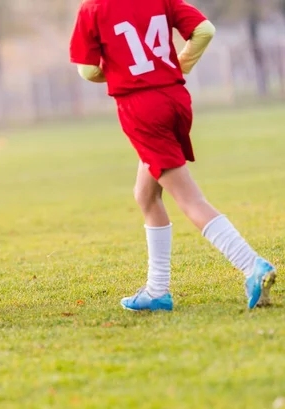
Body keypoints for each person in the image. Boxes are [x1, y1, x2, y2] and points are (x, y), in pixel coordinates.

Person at [69, 0, 276, 311]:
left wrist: (118, 70)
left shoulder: (93, 8)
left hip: (141, 107)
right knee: (145, 195)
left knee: (189, 199)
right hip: (175, 98)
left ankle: (253, 266)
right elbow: (204, 30)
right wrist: (181, 63)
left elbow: (87, 70)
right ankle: (157, 292)